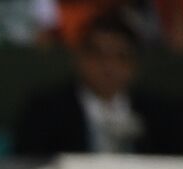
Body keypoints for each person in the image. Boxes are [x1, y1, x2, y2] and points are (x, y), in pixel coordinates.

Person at [14, 9, 183, 155]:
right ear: (79, 58)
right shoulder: (45, 111)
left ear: (134, 65)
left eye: (121, 57)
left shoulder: (162, 115)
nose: (108, 67)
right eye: (98, 55)